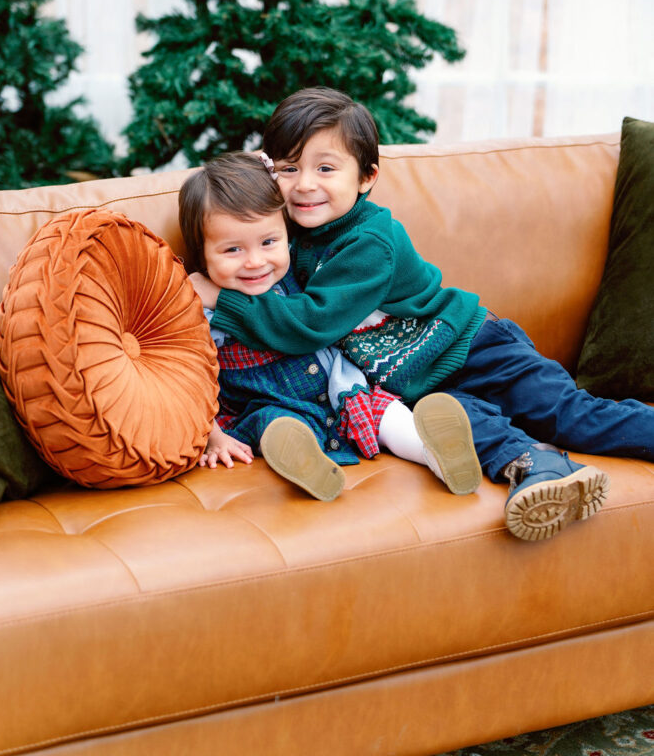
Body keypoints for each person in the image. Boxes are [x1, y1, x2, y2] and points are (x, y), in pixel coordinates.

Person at [194, 88, 654, 541]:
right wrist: (257, 175)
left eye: (326, 168)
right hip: (421, 381)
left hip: (472, 346)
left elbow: (311, 323)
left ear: (367, 177)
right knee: (462, 426)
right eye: (290, 169)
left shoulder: (370, 241)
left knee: (568, 414)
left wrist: (221, 297)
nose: (305, 184)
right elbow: (243, 202)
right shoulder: (284, 229)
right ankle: (542, 469)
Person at [179, 151, 482, 502]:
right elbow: (190, 380)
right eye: (233, 250)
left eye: (268, 242)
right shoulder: (199, 312)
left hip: (340, 387)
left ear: (285, 234)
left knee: (388, 414)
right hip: (270, 405)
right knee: (277, 427)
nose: (256, 262)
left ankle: (439, 454)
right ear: (202, 256)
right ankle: (309, 467)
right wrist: (213, 436)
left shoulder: (302, 270)